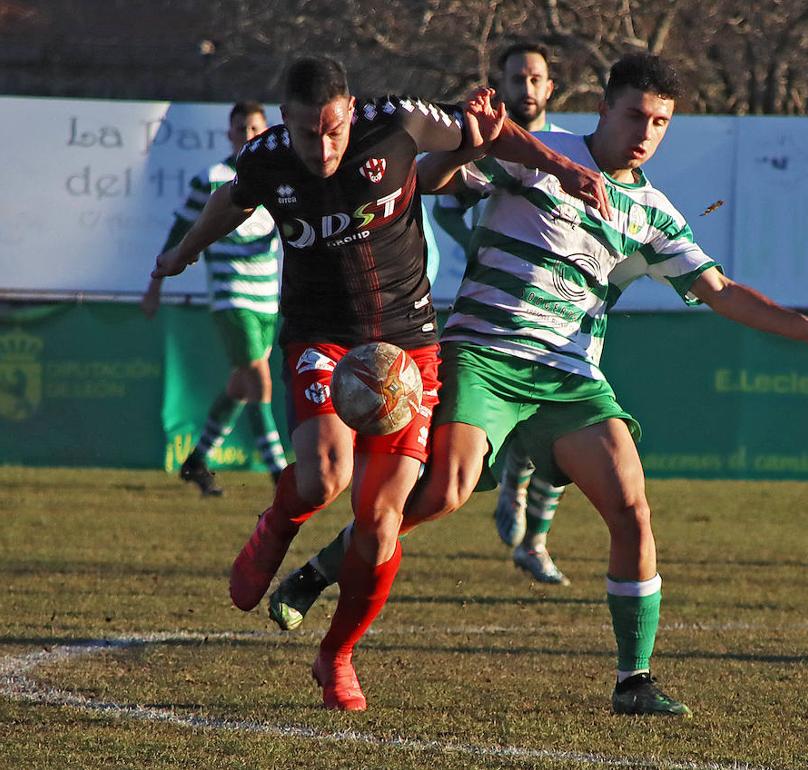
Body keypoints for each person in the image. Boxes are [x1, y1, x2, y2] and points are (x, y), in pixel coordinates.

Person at [270, 53, 808, 717]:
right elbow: (437, 180)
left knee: (630, 505)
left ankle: (633, 681)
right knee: (443, 492)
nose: (646, 131)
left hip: (568, 375)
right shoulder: (539, 152)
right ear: (604, 108)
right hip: (483, 354)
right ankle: (324, 568)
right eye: (636, 115)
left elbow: (722, 293)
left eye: (661, 122)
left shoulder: (654, 215)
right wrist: (468, 142)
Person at [150, 55, 607, 712]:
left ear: (351, 110)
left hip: (407, 341)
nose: (325, 145)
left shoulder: (395, 122)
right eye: (310, 133)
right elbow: (232, 199)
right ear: (287, 123)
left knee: (381, 520)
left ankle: (336, 655)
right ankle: (278, 523)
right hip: (321, 332)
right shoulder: (269, 157)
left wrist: (565, 168)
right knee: (323, 477)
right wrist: (185, 250)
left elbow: (490, 133)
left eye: (334, 128)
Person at [432, 41, 575, 584]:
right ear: (504, 83)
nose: (527, 88)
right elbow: (446, 203)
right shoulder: (488, 146)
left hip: (560, 316)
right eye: (518, 78)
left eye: (536, 78)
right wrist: (476, 242)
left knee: (560, 443)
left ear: (550, 87)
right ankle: (514, 494)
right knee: (507, 434)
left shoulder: (569, 148)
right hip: (494, 311)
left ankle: (534, 543)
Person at [142, 101, 287, 495]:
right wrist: (156, 283)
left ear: (266, 131)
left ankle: (197, 460)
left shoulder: (277, 178)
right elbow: (180, 231)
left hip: (266, 300)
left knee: (241, 383)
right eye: (241, 129)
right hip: (231, 296)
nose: (248, 136)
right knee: (259, 377)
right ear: (229, 134)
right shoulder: (213, 178)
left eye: (255, 129)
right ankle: (279, 472)